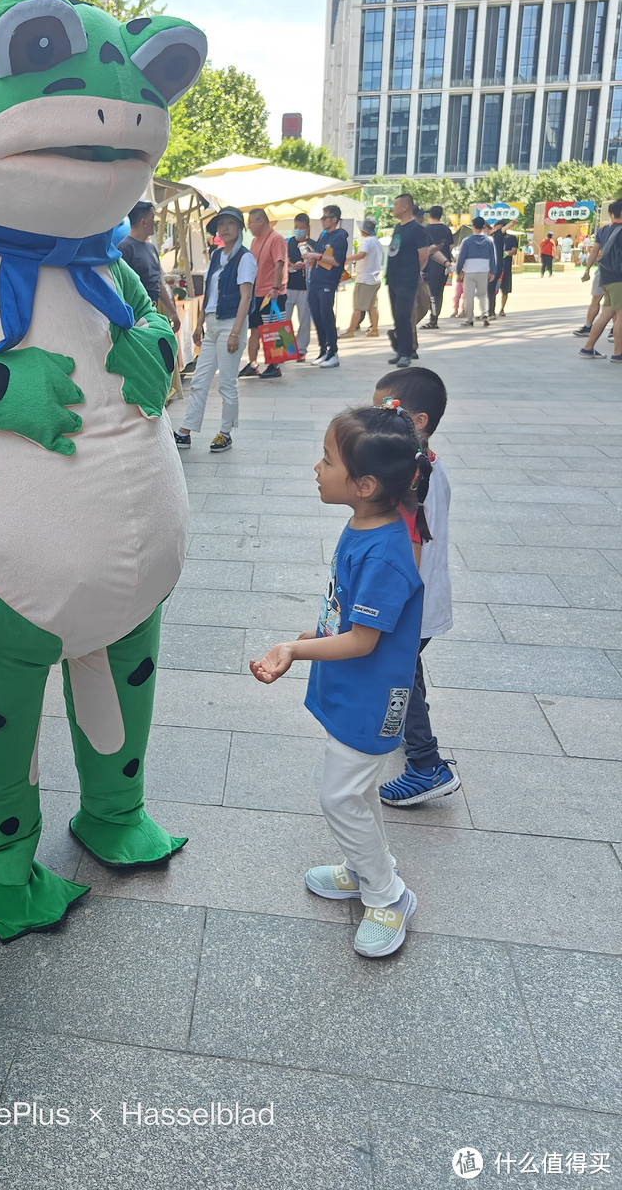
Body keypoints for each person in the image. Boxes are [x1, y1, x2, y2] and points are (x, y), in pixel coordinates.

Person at [249, 405, 430, 958]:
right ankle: (364, 867)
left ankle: (388, 895)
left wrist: (294, 648)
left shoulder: (385, 553)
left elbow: (364, 640)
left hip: (372, 697)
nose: (316, 468)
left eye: (328, 460)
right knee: (352, 792)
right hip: (353, 689)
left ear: (366, 483)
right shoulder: (364, 526)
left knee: (338, 796)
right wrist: (306, 636)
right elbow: (347, 619)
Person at [373, 368, 460, 806]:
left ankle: (427, 766)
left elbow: (409, 548)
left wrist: (386, 605)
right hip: (420, 602)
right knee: (407, 671)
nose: (377, 418)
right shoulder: (426, 463)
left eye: (386, 409)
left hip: (409, 603)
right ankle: (416, 740)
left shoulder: (414, 476)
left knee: (397, 679)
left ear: (418, 420)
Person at [174, 207, 256, 451]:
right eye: (222, 224)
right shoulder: (217, 256)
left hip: (231, 323)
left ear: (239, 227)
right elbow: (209, 293)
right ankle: (186, 430)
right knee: (199, 380)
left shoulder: (245, 258)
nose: (225, 228)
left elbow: (246, 297)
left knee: (227, 382)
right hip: (211, 323)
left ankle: (225, 432)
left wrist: (235, 332)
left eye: (231, 223)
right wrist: (199, 324)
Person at [118, 200, 181, 331]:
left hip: (154, 308)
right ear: (143, 222)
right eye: (152, 218)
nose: (155, 222)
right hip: (137, 313)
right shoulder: (125, 248)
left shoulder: (151, 248)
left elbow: (158, 282)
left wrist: (173, 311)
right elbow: (121, 286)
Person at [385, 193, 431, 368]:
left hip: (407, 279)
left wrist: (415, 271)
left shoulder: (417, 229)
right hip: (394, 279)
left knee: (404, 316)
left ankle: (406, 353)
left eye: (395, 205)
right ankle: (400, 351)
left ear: (405, 207)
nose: (393, 208)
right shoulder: (398, 228)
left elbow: (423, 255)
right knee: (397, 316)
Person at [241, 208, 288, 380]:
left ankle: (274, 365)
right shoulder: (255, 241)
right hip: (256, 292)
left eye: (250, 222)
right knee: (254, 330)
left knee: (273, 330)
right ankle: (253, 364)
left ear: (261, 220)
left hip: (271, 292)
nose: (249, 227)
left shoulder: (276, 239)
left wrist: (276, 288)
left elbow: (279, 263)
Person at [303, 204, 347, 367]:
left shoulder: (339, 238)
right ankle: (323, 350)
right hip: (315, 281)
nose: (322, 221)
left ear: (334, 219)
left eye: (325, 217)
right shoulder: (324, 236)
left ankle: (333, 351)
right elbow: (320, 255)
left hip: (327, 282)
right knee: (317, 316)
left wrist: (317, 255)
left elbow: (336, 261)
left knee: (326, 315)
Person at [578, 204, 622, 362]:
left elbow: (595, 251)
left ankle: (588, 347)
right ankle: (618, 353)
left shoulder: (603, 231)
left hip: (606, 277)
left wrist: (587, 270)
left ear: (611, 213)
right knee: (621, 315)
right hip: (619, 278)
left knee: (606, 314)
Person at [340, 219, 384, 338]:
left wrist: (347, 258)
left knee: (358, 306)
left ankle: (350, 330)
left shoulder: (366, 242)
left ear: (363, 230)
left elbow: (362, 255)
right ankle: (374, 329)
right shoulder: (376, 242)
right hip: (375, 278)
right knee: (373, 306)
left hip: (365, 278)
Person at [455, 217, 496, 327]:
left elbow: (461, 258)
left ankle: (469, 319)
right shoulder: (489, 241)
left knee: (469, 296)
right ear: (483, 227)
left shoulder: (466, 241)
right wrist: (492, 271)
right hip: (483, 270)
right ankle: (485, 314)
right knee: (483, 294)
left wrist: (458, 271)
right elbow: (493, 258)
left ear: (472, 227)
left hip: (470, 271)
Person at [284, 213, 315, 357]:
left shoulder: (312, 245)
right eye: (296, 227)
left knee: (304, 320)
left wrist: (307, 264)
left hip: (305, 288)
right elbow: (282, 261)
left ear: (308, 228)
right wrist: (291, 265)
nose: (298, 230)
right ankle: (285, 349)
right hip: (288, 287)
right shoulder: (287, 242)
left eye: (301, 228)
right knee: (284, 320)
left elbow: (317, 263)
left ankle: (301, 349)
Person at [421, 206, 453, 329]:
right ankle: (435, 317)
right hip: (445, 265)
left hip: (430, 265)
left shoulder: (425, 229)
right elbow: (450, 247)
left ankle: (433, 319)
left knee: (430, 292)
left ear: (430, 215)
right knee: (439, 292)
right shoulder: (446, 229)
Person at [488, 219, 519, 318]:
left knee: (504, 289)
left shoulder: (510, 238)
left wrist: (511, 223)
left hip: (505, 266)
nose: (495, 229)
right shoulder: (491, 238)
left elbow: (514, 251)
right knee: (491, 289)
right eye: (494, 227)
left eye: (498, 228)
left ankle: (501, 309)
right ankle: (490, 310)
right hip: (494, 267)